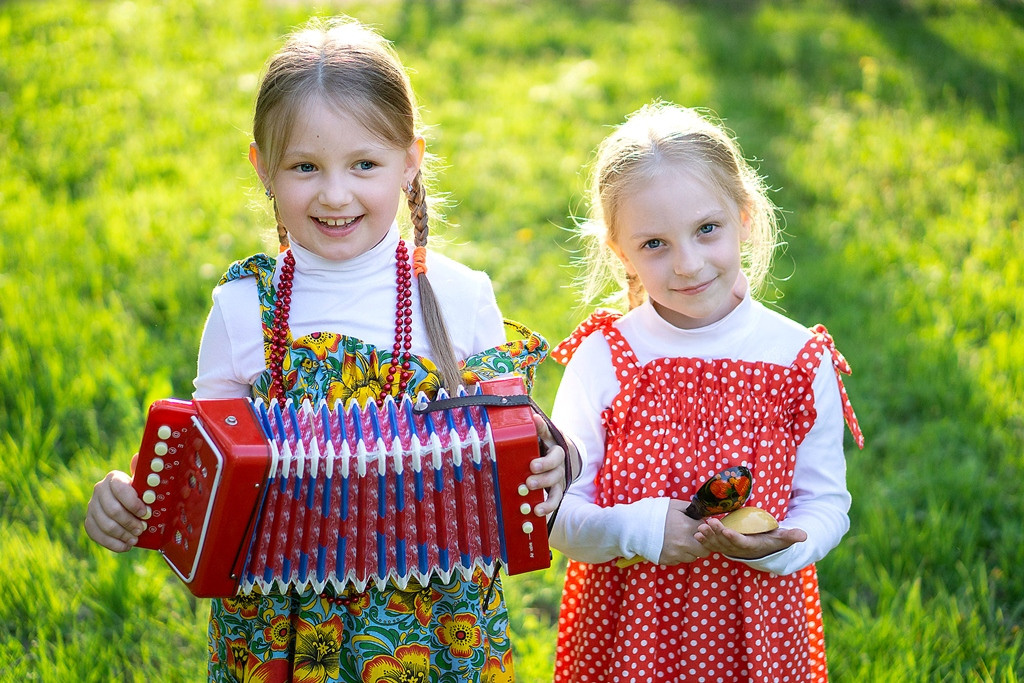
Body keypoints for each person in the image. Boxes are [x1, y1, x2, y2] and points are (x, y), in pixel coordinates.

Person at [84, 17, 578, 682]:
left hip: (433, 625)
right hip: (276, 623)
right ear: (263, 168)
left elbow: (519, 447)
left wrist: (555, 460)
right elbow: (202, 477)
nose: (336, 193)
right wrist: (128, 501)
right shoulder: (242, 311)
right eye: (305, 167)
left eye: (365, 164)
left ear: (411, 160)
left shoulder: (460, 297)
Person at [547, 102, 864, 682]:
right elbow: (559, 514)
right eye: (654, 245)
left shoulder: (797, 359)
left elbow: (826, 502)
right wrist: (637, 531)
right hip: (627, 637)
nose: (688, 264)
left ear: (744, 217)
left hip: (759, 635)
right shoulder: (604, 359)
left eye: (706, 230)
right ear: (620, 251)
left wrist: (787, 545)